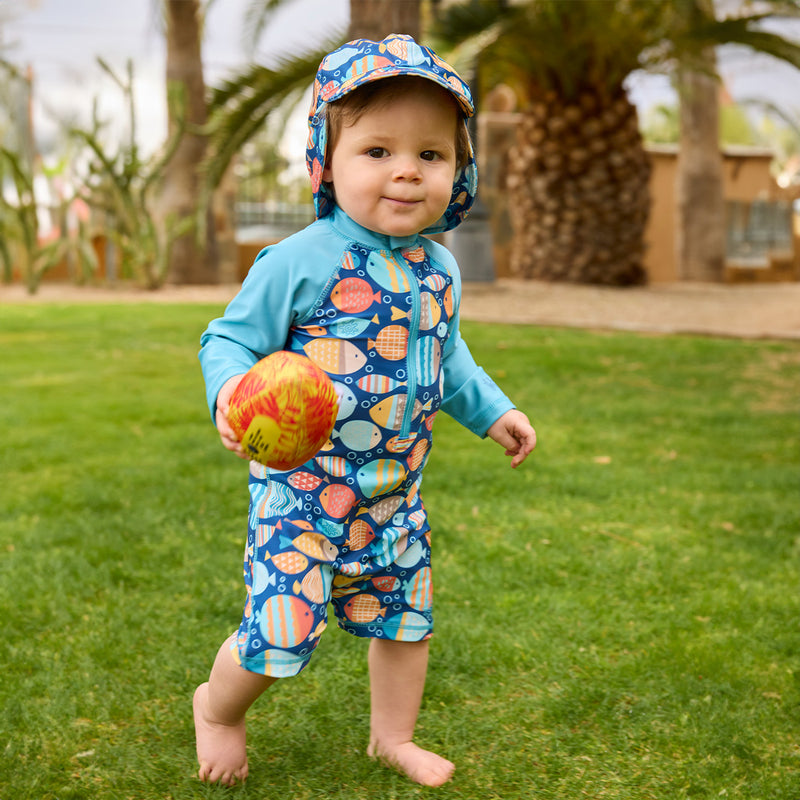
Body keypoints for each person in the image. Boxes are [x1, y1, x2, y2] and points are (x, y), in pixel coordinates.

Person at [194, 33, 537, 788]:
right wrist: (229, 391)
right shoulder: (301, 260)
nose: (407, 171)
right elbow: (227, 340)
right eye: (377, 151)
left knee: (407, 623)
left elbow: (444, 359)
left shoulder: (438, 268)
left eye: (432, 154)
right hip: (302, 497)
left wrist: (494, 411)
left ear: (460, 168)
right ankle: (218, 709)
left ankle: (393, 737)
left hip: (394, 499)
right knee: (278, 636)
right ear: (326, 160)